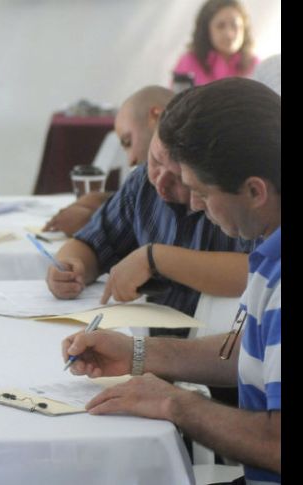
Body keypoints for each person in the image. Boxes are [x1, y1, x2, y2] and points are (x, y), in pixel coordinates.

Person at [62, 77, 280, 484]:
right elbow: (245, 351)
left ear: (255, 191)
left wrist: (175, 405)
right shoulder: (269, 249)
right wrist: (139, 352)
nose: (194, 204)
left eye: (201, 190)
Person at [46, 113, 255, 338]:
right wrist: (70, 267)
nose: (160, 181)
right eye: (155, 161)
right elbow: (92, 242)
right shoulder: (144, 184)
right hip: (149, 339)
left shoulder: (234, 201)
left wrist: (156, 259)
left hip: (220, 348)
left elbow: (257, 272)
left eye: (179, 177)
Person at [43, 86, 174, 236]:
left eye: (128, 142)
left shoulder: (195, 171)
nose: (131, 160)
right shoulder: (142, 179)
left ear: (156, 117)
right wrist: (103, 201)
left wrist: (93, 221)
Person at [172, 0, 258, 87]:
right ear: (206, 30)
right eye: (220, 26)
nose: (229, 34)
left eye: (235, 26)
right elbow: (178, 99)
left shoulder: (254, 65)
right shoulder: (189, 62)